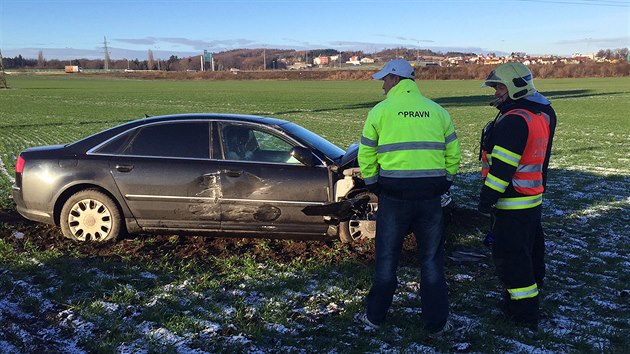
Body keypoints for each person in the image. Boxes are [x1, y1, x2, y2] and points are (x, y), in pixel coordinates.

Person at [356, 59, 461, 334]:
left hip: (393, 197)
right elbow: (453, 154)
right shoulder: (438, 111)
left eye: (384, 79)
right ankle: (436, 324)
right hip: (430, 198)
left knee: (387, 260)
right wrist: (445, 182)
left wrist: (373, 183)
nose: (382, 84)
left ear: (394, 79)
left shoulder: (380, 111)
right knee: (431, 261)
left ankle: (375, 318)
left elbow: (366, 154)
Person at [478, 62, 556, 331]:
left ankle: (522, 313)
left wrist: (487, 197)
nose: (496, 93)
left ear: (515, 87)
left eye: (499, 87)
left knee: (511, 257)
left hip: (512, 201)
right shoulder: (542, 112)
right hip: (533, 198)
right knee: (531, 252)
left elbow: (502, 169)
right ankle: (530, 295)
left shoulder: (513, 120)